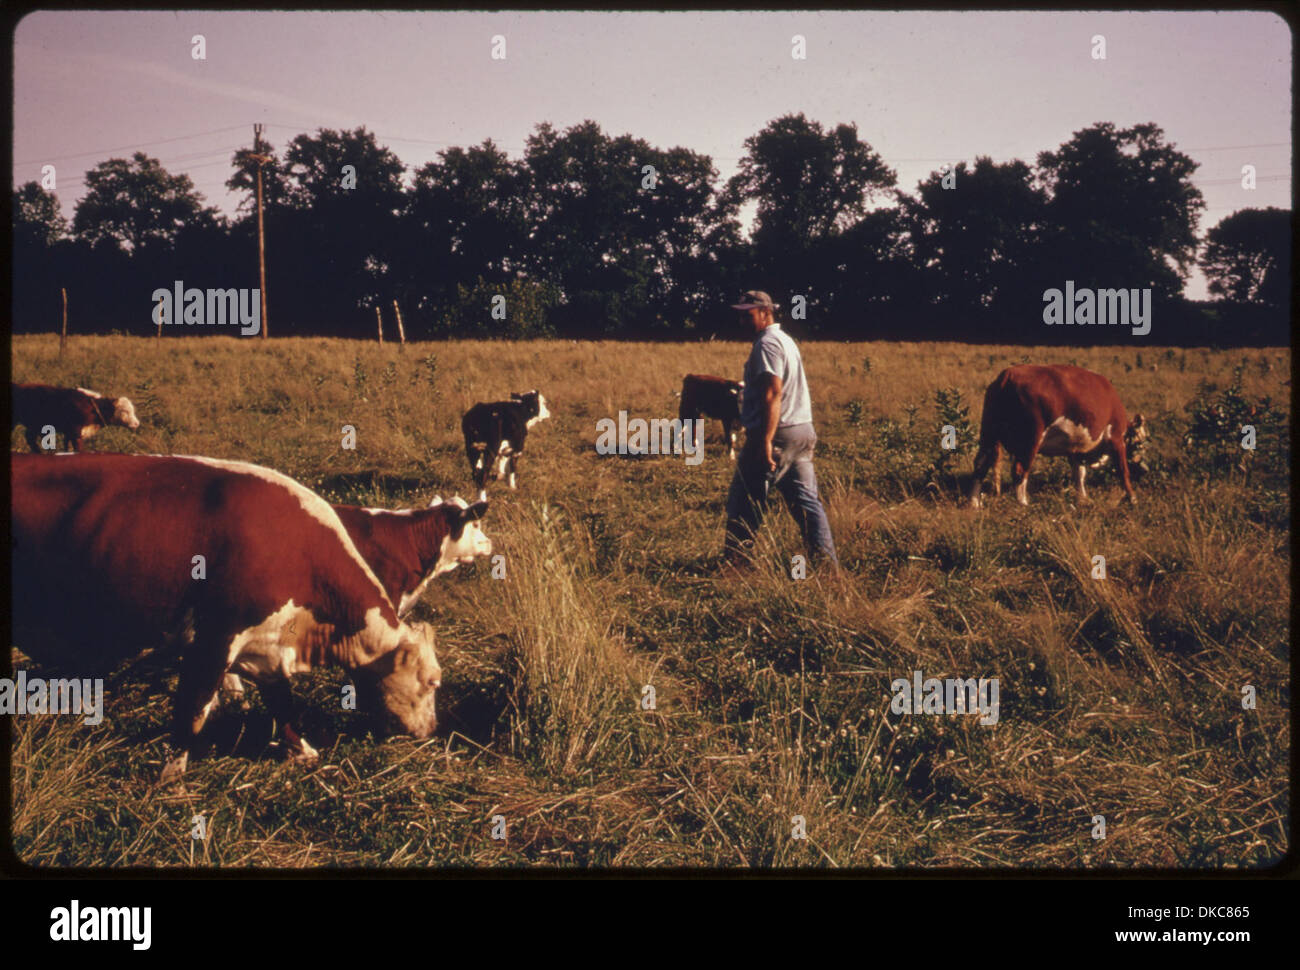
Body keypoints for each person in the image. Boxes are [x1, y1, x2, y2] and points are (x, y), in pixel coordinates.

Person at [723, 290, 838, 569]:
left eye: (748, 315)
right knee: (806, 503)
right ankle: (826, 566)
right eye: (739, 315)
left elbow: (773, 393)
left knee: (745, 500)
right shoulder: (785, 340)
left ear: (766, 312)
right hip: (801, 431)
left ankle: (736, 565)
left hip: (777, 434)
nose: (742, 321)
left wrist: (764, 440)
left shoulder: (768, 344)